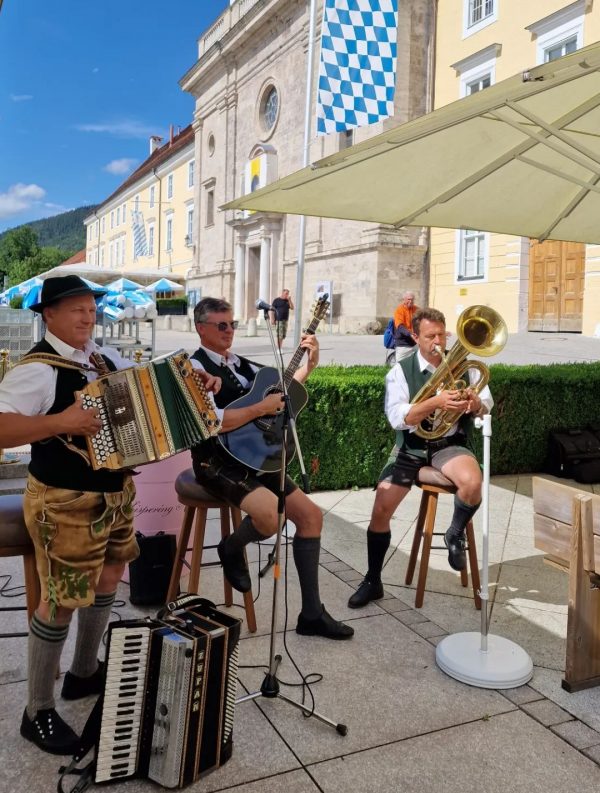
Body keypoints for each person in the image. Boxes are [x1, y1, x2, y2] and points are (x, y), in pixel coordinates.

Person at [0, 275, 218, 756]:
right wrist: (62, 421)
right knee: (61, 598)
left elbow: (151, 384)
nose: (86, 314)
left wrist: (193, 379)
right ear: (48, 315)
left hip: (114, 493)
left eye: (90, 307)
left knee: (111, 574)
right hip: (63, 499)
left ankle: (83, 672)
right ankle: (36, 710)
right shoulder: (38, 370)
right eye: (74, 308)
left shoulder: (101, 358)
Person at [189, 297, 353, 640]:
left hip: (255, 458)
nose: (229, 331)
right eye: (221, 325)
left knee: (311, 517)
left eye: (232, 324)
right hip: (216, 462)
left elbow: (281, 395)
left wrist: (311, 363)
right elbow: (210, 423)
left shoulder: (241, 364)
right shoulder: (194, 369)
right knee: (271, 518)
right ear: (200, 328)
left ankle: (311, 615)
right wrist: (260, 408)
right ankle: (231, 547)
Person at [348, 307, 493, 609]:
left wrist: (475, 404)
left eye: (441, 334)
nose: (437, 341)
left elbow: (486, 405)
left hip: (447, 445)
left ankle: (454, 534)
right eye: (430, 336)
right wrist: (436, 402)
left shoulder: (465, 366)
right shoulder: (400, 371)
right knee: (380, 509)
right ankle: (373, 580)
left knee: (473, 482)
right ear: (415, 336)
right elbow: (397, 418)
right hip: (410, 447)